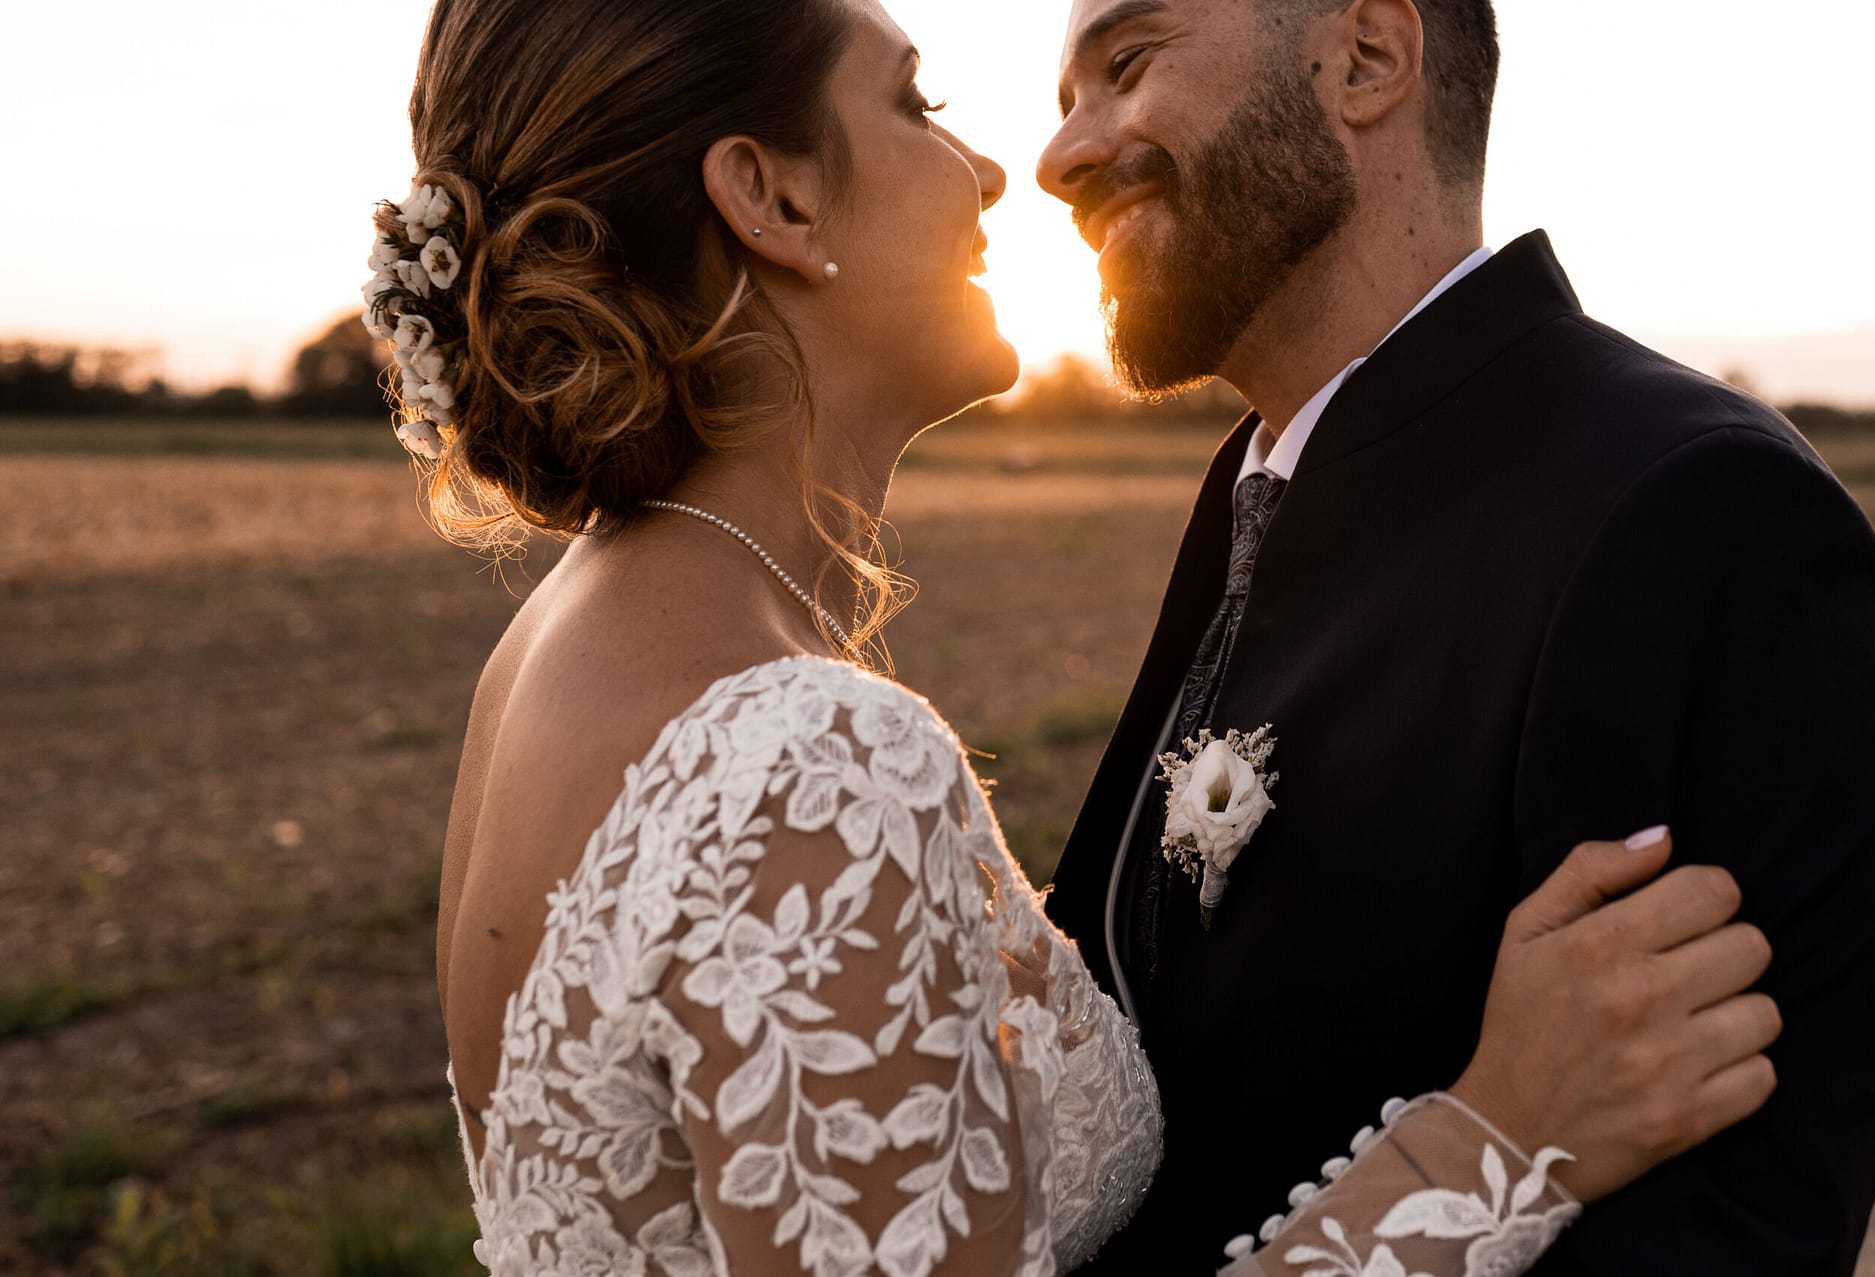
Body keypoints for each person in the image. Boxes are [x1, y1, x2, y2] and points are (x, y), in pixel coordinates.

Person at [368, 0, 1778, 1272]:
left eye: (1127, 66)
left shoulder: (554, 656)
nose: (1005, 168)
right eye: (916, 104)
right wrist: (1494, 1134)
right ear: (773, 197)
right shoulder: (801, 753)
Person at [1035, 0, 1875, 1272]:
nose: (1061, 157)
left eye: (1125, 67)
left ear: (1367, 55)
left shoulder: (1700, 508)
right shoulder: (1256, 480)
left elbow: (1723, 1228)